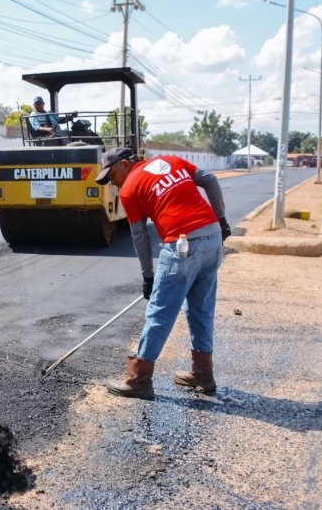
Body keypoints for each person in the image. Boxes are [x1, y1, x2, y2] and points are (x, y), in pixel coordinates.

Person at [95, 147, 232, 399]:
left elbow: (139, 236)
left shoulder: (129, 189)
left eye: (111, 174)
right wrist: (221, 221)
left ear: (124, 164)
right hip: (212, 237)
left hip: (182, 244)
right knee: (200, 308)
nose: (112, 182)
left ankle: (139, 380)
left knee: (160, 311)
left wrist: (147, 275)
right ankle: (203, 374)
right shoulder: (171, 160)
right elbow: (210, 180)